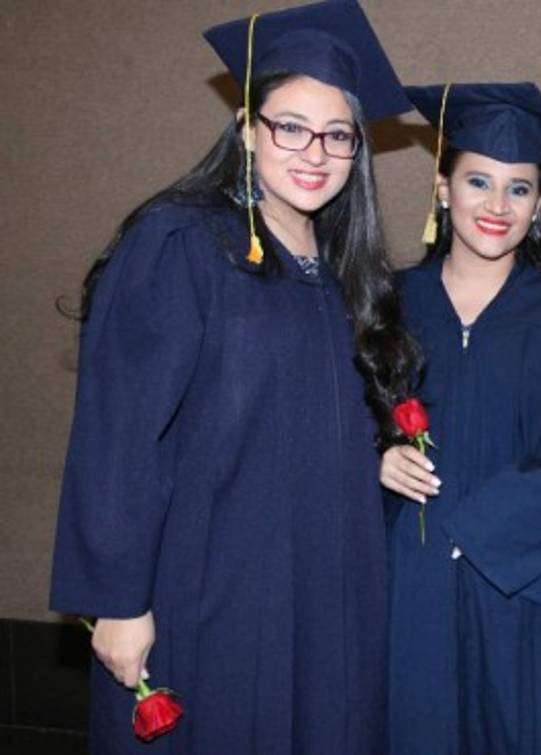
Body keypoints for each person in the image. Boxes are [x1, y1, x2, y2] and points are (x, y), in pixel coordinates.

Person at [48, 2, 420, 752]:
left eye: (338, 134)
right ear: (248, 130)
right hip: (209, 583)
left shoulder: (346, 269)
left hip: (324, 585)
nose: (314, 151)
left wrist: (373, 451)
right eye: (290, 126)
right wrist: (118, 601)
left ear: (357, 150)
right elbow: (120, 430)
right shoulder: (181, 241)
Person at [380, 82, 541, 754]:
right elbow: (331, 420)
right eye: (478, 180)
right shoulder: (385, 304)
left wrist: (487, 528)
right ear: (444, 188)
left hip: (525, 584)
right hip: (410, 577)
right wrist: (374, 455)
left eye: (519, 188)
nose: (497, 205)